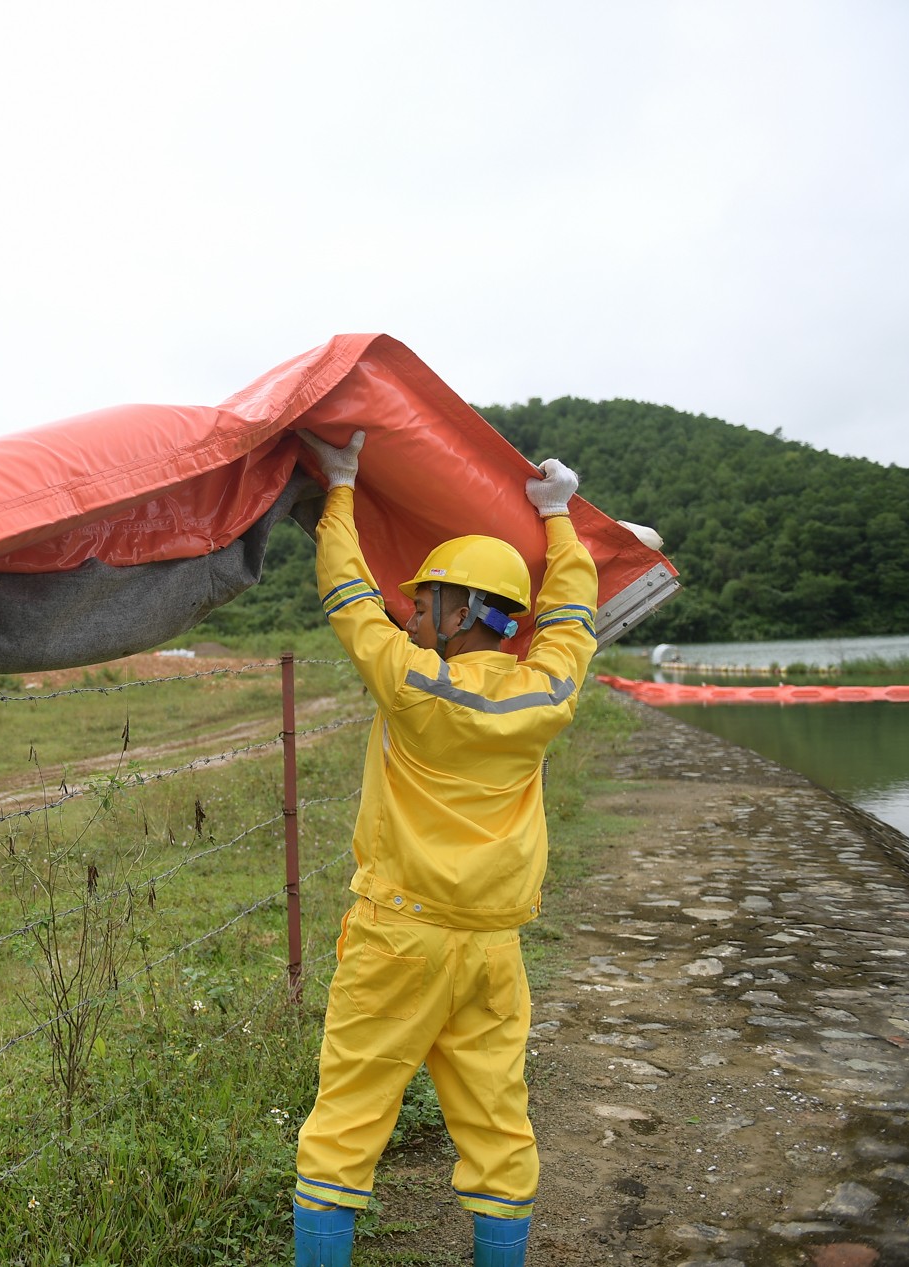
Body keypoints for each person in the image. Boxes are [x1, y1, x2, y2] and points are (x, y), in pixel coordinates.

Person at [290, 430, 597, 1267]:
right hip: (492, 949)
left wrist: (344, 484)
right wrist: (559, 518)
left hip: (398, 935)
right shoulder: (550, 692)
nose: (408, 611)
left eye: (422, 603)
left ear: (460, 613)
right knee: (499, 1126)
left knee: (346, 1123)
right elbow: (571, 614)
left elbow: (348, 592)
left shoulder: (412, 684)